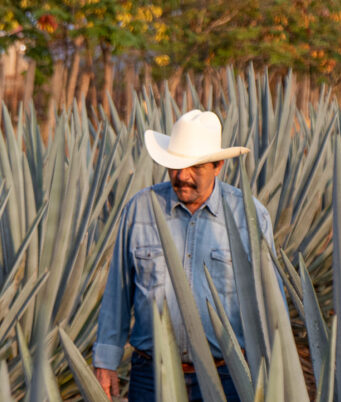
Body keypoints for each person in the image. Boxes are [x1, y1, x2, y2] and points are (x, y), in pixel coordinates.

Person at [93, 110, 278, 402]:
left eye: (194, 167)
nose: (181, 176)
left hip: (227, 377)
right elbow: (118, 291)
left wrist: (274, 375)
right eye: (174, 166)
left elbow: (270, 304)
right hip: (151, 375)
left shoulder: (249, 217)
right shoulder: (141, 209)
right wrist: (105, 361)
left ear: (218, 165)